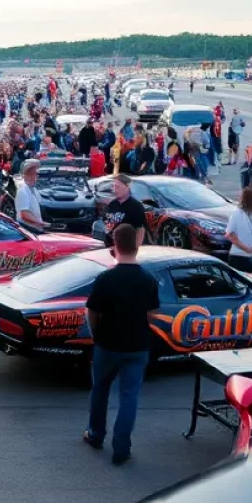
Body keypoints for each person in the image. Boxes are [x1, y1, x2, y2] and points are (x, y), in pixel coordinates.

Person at [82, 223, 160, 466]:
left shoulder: (105, 278)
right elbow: (152, 314)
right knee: (129, 397)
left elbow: (92, 311)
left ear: (115, 246)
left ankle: (96, 434)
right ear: (136, 246)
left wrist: (96, 335)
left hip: (107, 344)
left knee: (100, 389)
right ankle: (121, 448)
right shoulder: (147, 279)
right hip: (137, 346)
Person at [101, 174, 145, 247]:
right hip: (110, 246)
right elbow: (106, 222)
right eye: (114, 186)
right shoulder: (112, 204)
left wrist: (135, 247)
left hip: (126, 247)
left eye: (118, 187)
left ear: (127, 187)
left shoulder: (136, 206)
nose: (115, 189)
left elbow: (140, 229)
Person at [15, 160, 48, 231]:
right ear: (25, 176)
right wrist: (41, 223)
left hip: (35, 229)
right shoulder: (22, 191)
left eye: (35, 174)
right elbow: (24, 215)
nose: (34, 177)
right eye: (30, 174)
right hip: (28, 230)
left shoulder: (33, 190)